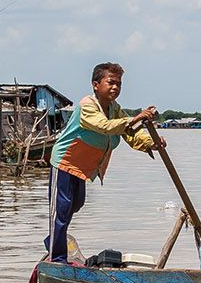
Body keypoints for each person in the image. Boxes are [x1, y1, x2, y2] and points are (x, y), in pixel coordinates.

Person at [43, 62, 162, 264]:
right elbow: (105, 127)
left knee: (76, 204)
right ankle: (57, 257)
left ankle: (56, 239)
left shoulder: (115, 109)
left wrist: (152, 142)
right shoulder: (87, 105)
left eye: (119, 84)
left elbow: (129, 133)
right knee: (61, 210)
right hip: (65, 162)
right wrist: (135, 118)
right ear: (96, 85)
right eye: (111, 82)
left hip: (82, 168)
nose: (115, 87)